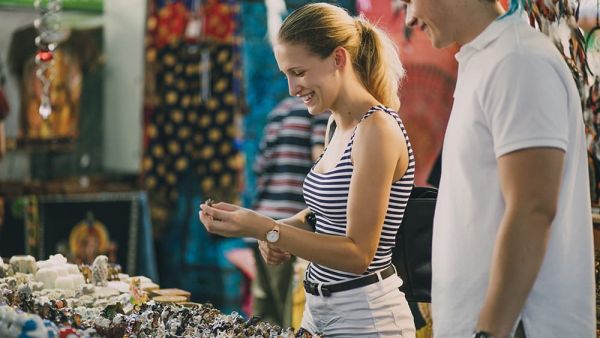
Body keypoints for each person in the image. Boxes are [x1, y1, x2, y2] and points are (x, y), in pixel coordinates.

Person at [200, 3, 417, 336]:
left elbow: (359, 254)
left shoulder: (376, 130)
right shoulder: (336, 124)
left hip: (365, 319)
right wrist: (257, 225)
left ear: (338, 59)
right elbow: (323, 215)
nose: (291, 88)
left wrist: (270, 229)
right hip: (321, 310)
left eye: (298, 73)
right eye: (286, 74)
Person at [402, 1, 596, 338]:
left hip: (518, 327)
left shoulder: (517, 61)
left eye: (409, 1)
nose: (409, 18)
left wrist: (489, 330)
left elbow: (532, 209)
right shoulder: (488, 58)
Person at [250, 96, 329, 327]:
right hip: (293, 224)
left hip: (263, 220)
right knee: (289, 315)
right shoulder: (319, 112)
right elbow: (321, 162)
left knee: (264, 316)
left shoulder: (277, 111)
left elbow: (259, 167)